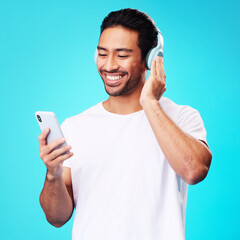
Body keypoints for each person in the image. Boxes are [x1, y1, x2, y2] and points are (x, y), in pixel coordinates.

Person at [38, 8, 212, 240]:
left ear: (150, 59)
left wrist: (149, 103)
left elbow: (194, 171)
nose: (109, 66)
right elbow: (56, 218)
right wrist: (53, 175)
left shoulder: (182, 117)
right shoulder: (75, 127)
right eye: (102, 54)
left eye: (122, 55)